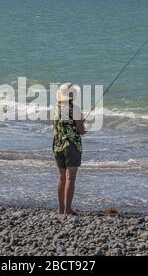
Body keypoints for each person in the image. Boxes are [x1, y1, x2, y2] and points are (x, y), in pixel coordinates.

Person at [53, 83, 87, 215]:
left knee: (61, 177)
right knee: (70, 178)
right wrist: (84, 125)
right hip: (71, 145)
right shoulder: (75, 109)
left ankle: (61, 208)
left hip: (57, 145)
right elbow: (81, 131)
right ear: (72, 95)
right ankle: (68, 209)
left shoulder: (56, 108)